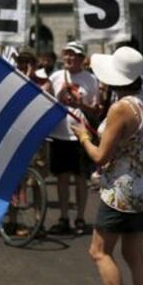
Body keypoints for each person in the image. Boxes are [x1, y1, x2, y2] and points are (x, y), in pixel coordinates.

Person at [73, 46, 143, 285]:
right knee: (134, 254)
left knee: (99, 251)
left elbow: (100, 156)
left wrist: (83, 137)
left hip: (120, 192)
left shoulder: (121, 108)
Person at [48, 41, 100, 236]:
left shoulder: (91, 80)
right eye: (67, 54)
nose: (69, 58)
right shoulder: (55, 77)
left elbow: (96, 110)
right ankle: (63, 218)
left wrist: (81, 105)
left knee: (80, 179)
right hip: (59, 134)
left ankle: (80, 218)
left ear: (81, 58)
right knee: (62, 178)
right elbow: (45, 102)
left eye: (73, 55)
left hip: (80, 135)